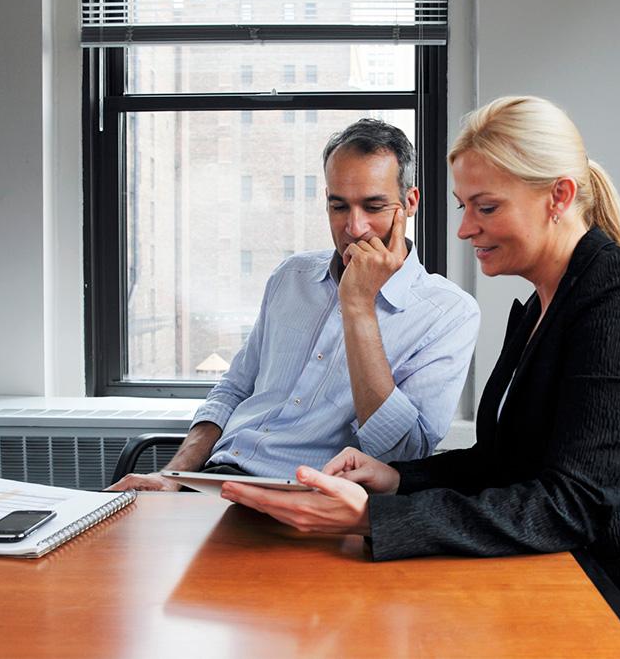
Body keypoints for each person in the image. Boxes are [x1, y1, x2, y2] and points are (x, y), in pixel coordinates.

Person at [220, 97, 620, 658]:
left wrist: (374, 518)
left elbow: (570, 504)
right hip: (570, 576)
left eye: (484, 208)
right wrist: (395, 479)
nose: (463, 229)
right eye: (463, 207)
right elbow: (502, 463)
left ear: (559, 197)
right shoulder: (537, 308)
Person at [110, 119, 479, 491]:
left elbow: (404, 451)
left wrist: (358, 307)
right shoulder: (292, 276)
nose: (354, 227)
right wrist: (173, 476)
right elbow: (234, 390)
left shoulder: (449, 314)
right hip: (214, 481)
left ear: (409, 203)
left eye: (373, 206)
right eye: (338, 206)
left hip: (307, 498)